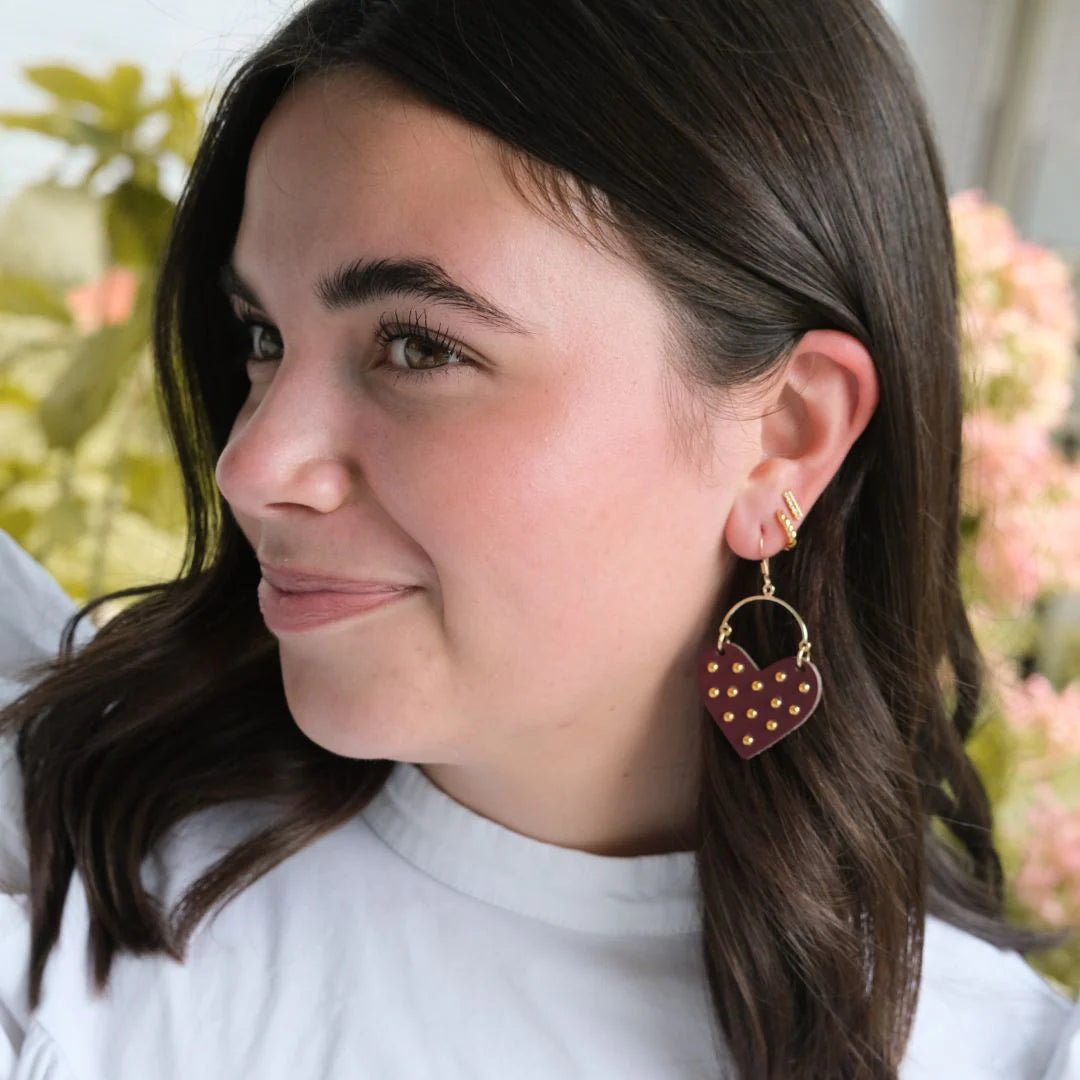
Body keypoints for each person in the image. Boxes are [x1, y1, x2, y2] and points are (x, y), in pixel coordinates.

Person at [2, 0, 1079, 1076]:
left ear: (784, 435)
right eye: (263, 338)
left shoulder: (1008, 1057)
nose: (252, 464)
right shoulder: (61, 904)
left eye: (418, 348)